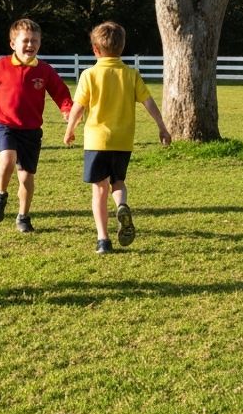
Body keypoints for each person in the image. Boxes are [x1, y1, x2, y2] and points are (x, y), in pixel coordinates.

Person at [0, 18, 72, 234]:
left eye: (35, 41)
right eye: (25, 40)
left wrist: (67, 108)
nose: (30, 45)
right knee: (7, 160)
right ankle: (0, 195)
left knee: (26, 178)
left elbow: (60, 91)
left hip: (31, 130)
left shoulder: (44, 70)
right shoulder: (0, 66)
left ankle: (23, 216)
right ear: (13, 44)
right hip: (5, 125)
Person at [63, 21, 171, 253]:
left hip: (96, 141)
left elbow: (78, 107)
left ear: (95, 49)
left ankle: (103, 239)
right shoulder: (131, 74)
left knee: (99, 191)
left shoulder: (89, 75)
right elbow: (148, 102)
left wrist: (70, 129)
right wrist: (161, 126)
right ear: (122, 48)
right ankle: (121, 204)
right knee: (117, 182)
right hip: (123, 142)